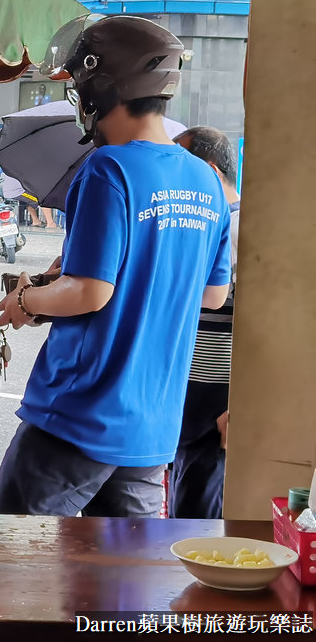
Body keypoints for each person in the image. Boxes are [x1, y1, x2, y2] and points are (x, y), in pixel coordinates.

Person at [0, 16, 232, 517]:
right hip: (153, 425)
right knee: (119, 583)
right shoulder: (205, 181)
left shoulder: (109, 167)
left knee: (9, 567)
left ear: (100, 88)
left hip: (79, 414)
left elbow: (90, 292)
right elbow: (211, 295)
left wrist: (24, 300)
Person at [168, 126, 241, 519]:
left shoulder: (243, 227)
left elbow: (261, 329)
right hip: (187, 389)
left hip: (217, 400)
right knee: (181, 503)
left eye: (183, 168)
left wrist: (240, 405)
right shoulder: (206, 222)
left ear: (211, 173)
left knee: (196, 514)